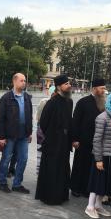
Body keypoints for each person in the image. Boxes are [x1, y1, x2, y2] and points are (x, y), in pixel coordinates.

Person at [35, 74, 73, 205]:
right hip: (52, 142)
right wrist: (54, 134)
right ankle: (49, 197)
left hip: (64, 142)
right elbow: (43, 123)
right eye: (66, 84)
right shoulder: (51, 103)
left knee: (62, 168)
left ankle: (61, 195)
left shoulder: (69, 101)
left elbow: (69, 121)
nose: (69, 86)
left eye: (69, 83)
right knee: (51, 169)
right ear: (58, 87)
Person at [85, 92, 111, 219]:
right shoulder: (102, 117)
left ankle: (98, 205)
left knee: (106, 183)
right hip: (102, 155)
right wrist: (98, 159)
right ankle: (90, 206)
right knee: (97, 182)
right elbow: (97, 139)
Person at [0, 73, 33, 194]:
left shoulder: (27, 97)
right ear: (14, 81)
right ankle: (2, 182)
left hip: (24, 135)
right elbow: (0, 119)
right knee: (6, 158)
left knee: (23, 159)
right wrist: (2, 137)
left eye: (25, 81)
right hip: (10, 135)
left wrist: (30, 132)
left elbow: (29, 116)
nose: (24, 82)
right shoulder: (6, 98)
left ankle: (17, 184)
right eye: (22, 80)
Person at [71, 79, 106, 198]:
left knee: (91, 166)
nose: (103, 91)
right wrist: (75, 139)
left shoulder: (103, 103)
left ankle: (87, 188)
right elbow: (75, 121)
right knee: (79, 164)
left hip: (96, 142)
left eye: (104, 88)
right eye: (101, 88)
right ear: (94, 89)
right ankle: (75, 187)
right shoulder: (83, 102)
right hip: (83, 140)